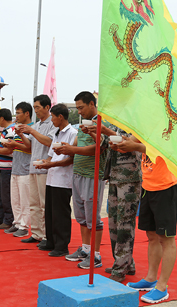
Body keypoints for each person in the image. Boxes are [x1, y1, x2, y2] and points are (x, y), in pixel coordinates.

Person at [116, 136, 177, 304]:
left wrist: (136, 147)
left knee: (166, 239)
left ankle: (162, 286)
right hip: (148, 187)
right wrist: (122, 142)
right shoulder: (144, 121)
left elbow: (166, 149)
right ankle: (151, 278)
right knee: (151, 236)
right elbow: (131, 140)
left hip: (166, 187)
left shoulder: (168, 122)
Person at [54, 91, 109, 269]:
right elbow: (77, 144)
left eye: (81, 107)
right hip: (78, 173)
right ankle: (86, 249)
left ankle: (96, 255)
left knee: (93, 217)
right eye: (77, 108)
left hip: (92, 175)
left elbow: (97, 148)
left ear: (92, 104)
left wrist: (71, 150)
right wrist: (65, 148)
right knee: (81, 216)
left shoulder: (102, 122)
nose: (78, 111)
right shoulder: (81, 124)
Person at [88, 123, 142, 282]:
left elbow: (126, 143)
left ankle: (120, 267)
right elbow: (106, 144)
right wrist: (95, 132)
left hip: (129, 179)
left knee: (125, 224)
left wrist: (105, 130)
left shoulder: (137, 122)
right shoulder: (116, 122)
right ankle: (126, 263)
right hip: (114, 177)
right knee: (113, 223)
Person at [36, 103, 77, 256]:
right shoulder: (56, 133)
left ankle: (62, 245)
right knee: (50, 212)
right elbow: (51, 154)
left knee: (61, 214)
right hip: (52, 177)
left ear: (60, 117)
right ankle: (51, 241)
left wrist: (51, 164)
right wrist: (45, 162)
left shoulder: (73, 133)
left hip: (63, 179)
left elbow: (70, 159)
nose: (52, 119)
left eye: (53, 116)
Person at [18, 94, 58, 244]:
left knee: (43, 204)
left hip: (45, 168)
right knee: (33, 203)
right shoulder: (36, 125)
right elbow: (29, 146)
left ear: (47, 107)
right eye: (34, 107)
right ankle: (36, 233)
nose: (36, 111)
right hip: (33, 167)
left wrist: (32, 131)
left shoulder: (52, 124)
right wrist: (21, 134)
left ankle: (47, 235)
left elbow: (50, 142)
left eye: (38, 107)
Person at [2, 102, 33, 238]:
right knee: (15, 199)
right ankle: (17, 222)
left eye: (19, 113)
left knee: (25, 199)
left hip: (26, 168)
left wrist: (15, 144)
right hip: (15, 167)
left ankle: (24, 226)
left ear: (27, 113)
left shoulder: (32, 129)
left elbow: (30, 148)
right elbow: (15, 147)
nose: (16, 116)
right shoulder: (17, 129)